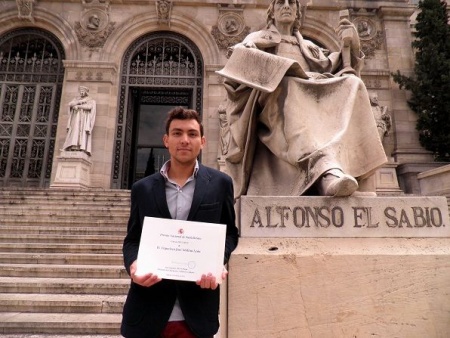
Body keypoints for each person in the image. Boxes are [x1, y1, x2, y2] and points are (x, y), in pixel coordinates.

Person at [218, 0, 387, 198]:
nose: (287, 6)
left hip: (310, 97)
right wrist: (280, 71)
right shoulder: (256, 39)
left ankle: (351, 170)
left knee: (352, 83)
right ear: (272, 11)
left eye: (292, 3)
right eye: (281, 2)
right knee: (288, 85)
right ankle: (326, 174)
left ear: (298, 12)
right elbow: (237, 65)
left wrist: (352, 46)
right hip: (274, 102)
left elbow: (334, 67)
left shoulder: (308, 47)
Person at [121, 107, 239, 338]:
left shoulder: (220, 184)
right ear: (166, 140)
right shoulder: (142, 189)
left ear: (202, 141)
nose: (185, 140)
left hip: (196, 313)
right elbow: (133, 240)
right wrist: (133, 266)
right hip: (147, 310)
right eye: (177, 133)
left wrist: (217, 262)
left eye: (192, 134)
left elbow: (230, 234)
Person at [62, 85, 96, 155]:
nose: (81, 92)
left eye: (83, 91)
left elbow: (89, 107)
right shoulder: (76, 99)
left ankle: (81, 147)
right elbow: (70, 104)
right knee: (74, 130)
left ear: (86, 92)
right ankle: (72, 145)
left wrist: (79, 106)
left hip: (84, 119)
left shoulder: (90, 100)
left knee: (82, 132)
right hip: (76, 118)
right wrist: (78, 102)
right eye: (80, 91)